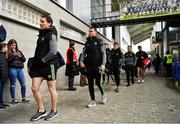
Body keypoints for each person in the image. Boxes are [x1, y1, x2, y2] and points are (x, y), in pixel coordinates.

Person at [30, 15, 59, 121]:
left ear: (49, 23)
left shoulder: (52, 35)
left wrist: (42, 61)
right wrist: (33, 63)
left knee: (51, 88)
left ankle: (54, 110)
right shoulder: (41, 35)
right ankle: (41, 110)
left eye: (43, 21)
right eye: (40, 21)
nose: (40, 23)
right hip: (38, 67)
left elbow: (53, 52)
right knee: (34, 88)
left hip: (49, 65)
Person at [80, 26, 107, 108]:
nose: (90, 33)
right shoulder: (87, 42)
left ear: (95, 32)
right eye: (89, 31)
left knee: (98, 83)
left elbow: (103, 53)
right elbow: (84, 53)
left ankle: (103, 93)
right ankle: (93, 101)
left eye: (91, 31)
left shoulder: (99, 41)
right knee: (90, 84)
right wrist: (81, 61)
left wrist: (103, 64)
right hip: (89, 66)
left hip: (98, 66)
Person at [7, 39, 29, 104]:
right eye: (12, 45)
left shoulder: (19, 51)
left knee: (23, 84)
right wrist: (13, 55)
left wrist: (20, 56)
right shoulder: (8, 52)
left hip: (19, 69)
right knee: (13, 84)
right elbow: (7, 61)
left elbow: (24, 59)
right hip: (12, 69)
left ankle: (23, 98)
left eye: (15, 45)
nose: (14, 46)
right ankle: (13, 99)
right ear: (10, 45)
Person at [0, 43, 8, 110]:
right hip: (1, 75)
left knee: (1, 89)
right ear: (3, 48)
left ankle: (1, 103)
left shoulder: (3, 55)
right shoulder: (1, 55)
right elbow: (2, 66)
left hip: (2, 75)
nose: (7, 49)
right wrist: (4, 76)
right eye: (6, 47)